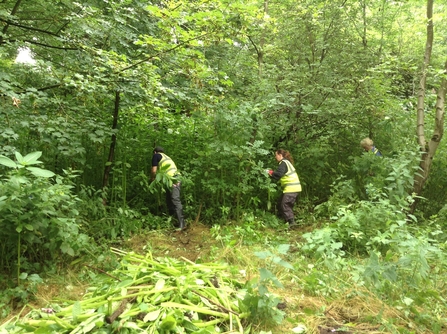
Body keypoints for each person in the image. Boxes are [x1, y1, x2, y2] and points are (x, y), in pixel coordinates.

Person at [151, 146, 186, 230]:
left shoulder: (156, 156)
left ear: (155, 152)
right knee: (169, 199)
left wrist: (152, 179)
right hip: (172, 178)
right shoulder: (166, 156)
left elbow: (154, 171)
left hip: (174, 179)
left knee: (175, 199)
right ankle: (173, 220)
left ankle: (182, 224)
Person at [267, 149, 302, 228]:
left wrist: (270, 172)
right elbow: (278, 176)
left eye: (276, 155)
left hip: (292, 188)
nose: (275, 157)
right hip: (292, 188)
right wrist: (271, 174)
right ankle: (283, 220)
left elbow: (279, 174)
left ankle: (292, 223)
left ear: (280, 155)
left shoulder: (283, 163)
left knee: (285, 204)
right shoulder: (286, 163)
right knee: (279, 203)